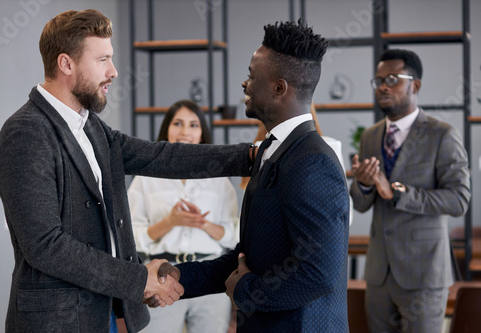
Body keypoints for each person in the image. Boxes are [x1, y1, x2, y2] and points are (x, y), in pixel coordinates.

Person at [0, 9, 253, 333]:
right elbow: (47, 246)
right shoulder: (26, 134)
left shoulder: (91, 127)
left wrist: (251, 156)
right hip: (56, 322)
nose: (114, 72)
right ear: (66, 64)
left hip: (102, 315)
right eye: (102, 60)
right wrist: (139, 280)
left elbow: (162, 156)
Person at [175, 20, 350, 332]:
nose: (245, 84)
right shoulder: (271, 151)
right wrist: (179, 278)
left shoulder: (314, 162)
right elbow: (250, 258)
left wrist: (245, 292)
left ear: (279, 88)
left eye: (252, 76)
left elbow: (319, 273)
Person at [350, 49, 470, 333]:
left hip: (424, 275)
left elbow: (459, 199)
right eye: (378, 80)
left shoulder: (443, 134)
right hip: (379, 274)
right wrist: (365, 184)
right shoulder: (370, 136)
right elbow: (360, 203)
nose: (382, 86)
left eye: (392, 78)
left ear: (415, 85)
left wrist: (397, 193)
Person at [128, 100, 238, 333]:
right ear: (166, 129)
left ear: (202, 133)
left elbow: (235, 235)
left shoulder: (219, 179)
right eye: (177, 123)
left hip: (210, 277)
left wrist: (204, 224)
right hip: (161, 276)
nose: (185, 131)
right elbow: (130, 236)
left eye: (193, 125)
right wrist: (170, 223)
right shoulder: (145, 178)